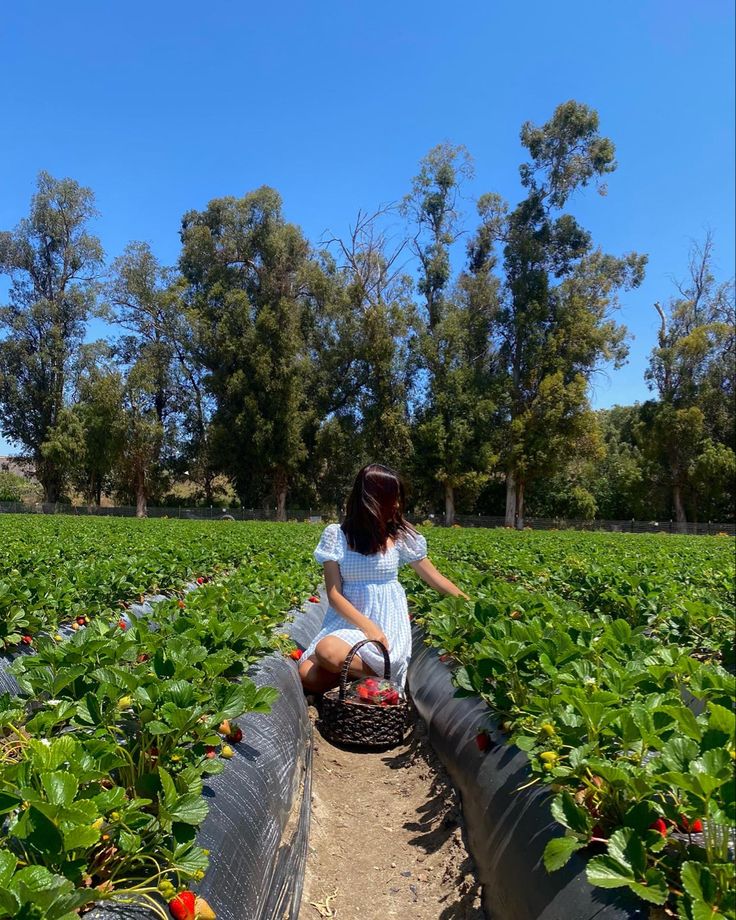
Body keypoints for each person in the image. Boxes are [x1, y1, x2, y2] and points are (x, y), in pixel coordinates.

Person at [299, 463, 469, 694]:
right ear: (371, 499)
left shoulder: (400, 536)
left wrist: (470, 604)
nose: (397, 504)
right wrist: (368, 627)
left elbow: (435, 578)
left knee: (328, 651)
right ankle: (370, 686)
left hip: (387, 622)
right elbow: (334, 594)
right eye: (391, 498)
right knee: (307, 673)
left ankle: (382, 680)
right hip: (350, 621)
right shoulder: (336, 535)